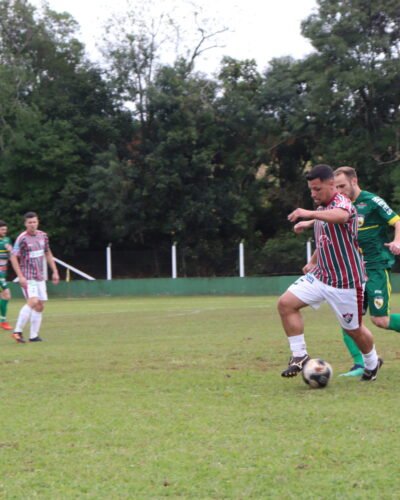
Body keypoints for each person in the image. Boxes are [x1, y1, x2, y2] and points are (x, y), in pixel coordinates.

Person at [277, 164, 382, 382]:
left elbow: (342, 216)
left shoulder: (341, 202)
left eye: (317, 189)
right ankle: (299, 356)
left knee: (354, 330)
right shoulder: (323, 207)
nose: (313, 194)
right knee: (286, 304)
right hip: (321, 276)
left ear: (331, 184)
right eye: (311, 190)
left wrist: (309, 214)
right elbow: (326, 237)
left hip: (346, 282)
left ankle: (372, 363)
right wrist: (312, 258)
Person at [333, 166, 400, 376]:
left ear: (354, 180)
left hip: (376, 267)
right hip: (353, 271)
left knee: (380, 320)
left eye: (342, 186)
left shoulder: (372, 201)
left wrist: (398, 241)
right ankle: (361, 364)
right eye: (336, 187)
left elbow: (397, 221)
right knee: (349, 319)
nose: (340, 191)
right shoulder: (339, 206)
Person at [10, 212, 59, 343]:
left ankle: (33, 336)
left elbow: (48, 253)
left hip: (39, 276)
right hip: (28, 276)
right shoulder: (22, 238)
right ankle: (17, 331)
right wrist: (20, 276)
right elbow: (13, 256)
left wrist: (54, 271)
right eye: (29, 222)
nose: (32, 225)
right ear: (25, 224)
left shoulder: (43, 236)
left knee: (40, 305)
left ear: (38, 222)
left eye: (34, 222)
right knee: (33, 301)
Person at [0, 220, 13, 330]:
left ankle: (2, 320)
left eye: (5, 229)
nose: (5, 231)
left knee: (3, 296)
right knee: (7, 294)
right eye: (2, 229)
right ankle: (3, 321)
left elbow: (11, 255)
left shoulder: (7, 240)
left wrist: (11, 250)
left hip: (3, 274)